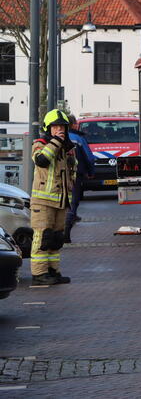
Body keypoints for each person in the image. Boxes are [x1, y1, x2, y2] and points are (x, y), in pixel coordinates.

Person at [30, 109, 77, 285]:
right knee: (43, 237)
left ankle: (53, 271)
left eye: (62, 126)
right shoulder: (40, 144)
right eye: (55, 126)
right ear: (48, 128)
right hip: (43, 201)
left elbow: (73, 171)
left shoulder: (68, 149)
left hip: (61, 201)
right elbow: (42, 160)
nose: (60, 129)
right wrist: (56, 141)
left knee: (56, 239)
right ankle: (39, 274)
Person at [64, 115, 95, 243]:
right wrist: (91, 172)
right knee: (73, 203)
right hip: (76, 175)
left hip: (58, 177)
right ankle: (66, 231)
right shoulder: (78, 138)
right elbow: (89, 157)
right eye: (76, 123)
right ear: (73, 125)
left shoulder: (57, 138)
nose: (77, 125)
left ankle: (58, 231)